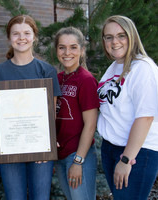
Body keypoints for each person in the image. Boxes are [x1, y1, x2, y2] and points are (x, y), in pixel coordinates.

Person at [0, 14, 61, 200]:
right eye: (16, 34)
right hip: (10, 147)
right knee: (15, 197)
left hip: (39, 147)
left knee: (40, 197)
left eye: (27, 33)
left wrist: (47, 142)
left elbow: (51, 113)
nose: (22, 38)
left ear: (34, 36)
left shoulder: (46, 71)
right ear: (9, 38)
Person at [98, 15, 158, 200]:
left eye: (121, 35)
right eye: (109, 37)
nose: (114, 41)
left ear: (132, 36)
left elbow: (146, 116)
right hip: (111, 148)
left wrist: (126, 159)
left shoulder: (142, 68)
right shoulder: (115, 66)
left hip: (136, 153)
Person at [53, 27, 99, 200]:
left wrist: (78, 161)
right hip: (60, 155)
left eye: (73, 47)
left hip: (78, 154)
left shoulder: (86, 80)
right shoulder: (56, 79)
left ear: (82, 50)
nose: (67, 52)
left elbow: (90, 124)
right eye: (62, 47)